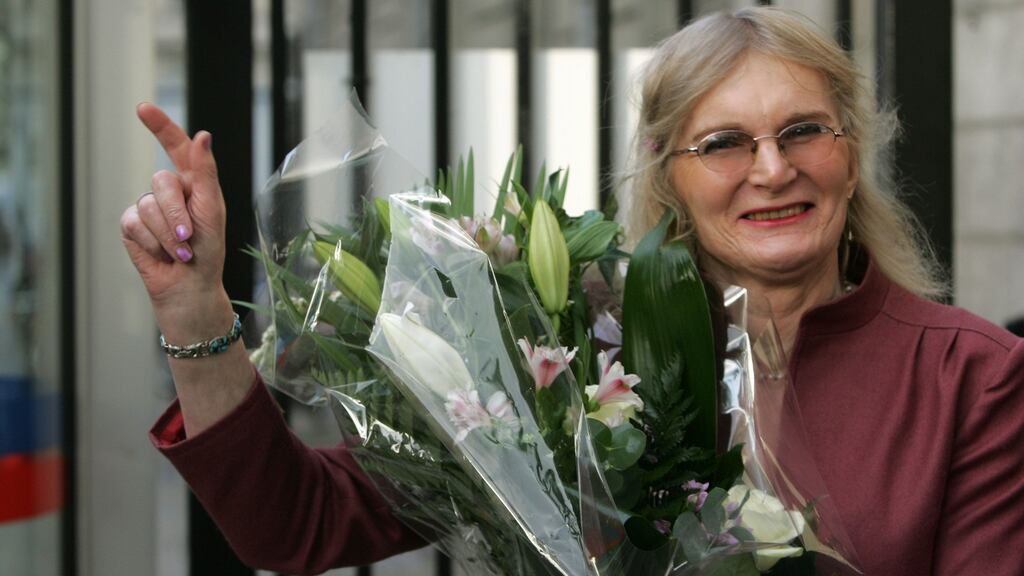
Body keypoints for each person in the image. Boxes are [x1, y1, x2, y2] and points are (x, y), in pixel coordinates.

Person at [121, 6, 1023, 576]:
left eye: (803, 131)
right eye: (725, 143)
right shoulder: (560, 342)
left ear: (851, 151)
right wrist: (196, 314)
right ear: (667, 174)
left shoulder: (970, 376)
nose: (773, 169)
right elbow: (295, 528)